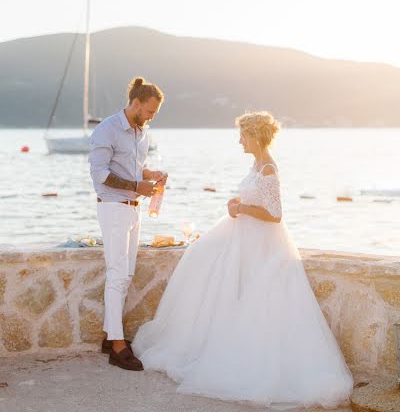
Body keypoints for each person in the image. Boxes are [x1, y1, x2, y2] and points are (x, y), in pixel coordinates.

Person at [133, 111, 353, 408]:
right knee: (200, 258)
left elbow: (275, 215)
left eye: (243, 135)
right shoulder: (256, 165)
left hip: (263, 245)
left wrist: (242, 208)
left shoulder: (269, 171)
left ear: (255, 136)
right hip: (246, 239)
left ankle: (249, 360)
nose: (239, 141)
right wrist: (237, 206)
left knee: (258, 301)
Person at [89, 76, 167, 371]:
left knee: (127, 274)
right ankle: (118, 347)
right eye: (149, 111)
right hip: (112, 207)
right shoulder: (106, 129)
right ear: (135, 103)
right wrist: (136, 183)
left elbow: (134, 168)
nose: (151, 117)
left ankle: (111, 337)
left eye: (154, 113)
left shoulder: (142, 133)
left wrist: (149, 175)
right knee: (117, 275)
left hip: (135, 210)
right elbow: (99, 174)